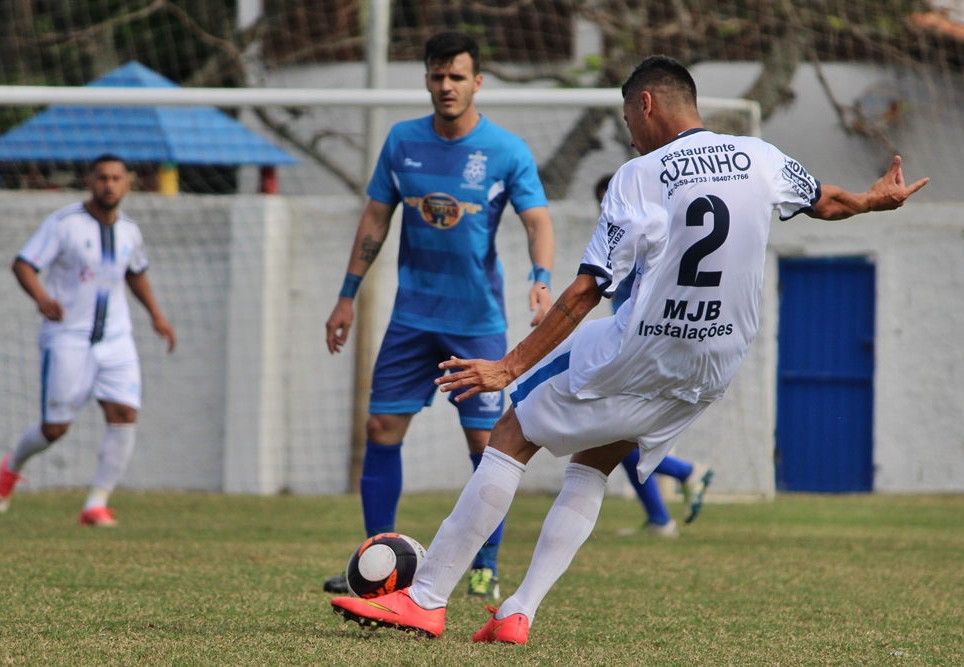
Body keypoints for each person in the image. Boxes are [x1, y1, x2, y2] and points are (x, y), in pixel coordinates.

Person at [330, 55, 928, 643]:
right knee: (596, 458)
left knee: (510, 433)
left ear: (646, 104)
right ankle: (518, 611)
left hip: (641, 349)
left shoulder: (640, 175)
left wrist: (508, 367)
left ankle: (426, 598)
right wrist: (872, 200)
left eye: (627, 122)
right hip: (715, 363)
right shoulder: (758, 155)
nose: (631, 137)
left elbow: (587, 288)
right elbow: (825, 201)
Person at [323, 30, 555, 599]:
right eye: (437, 76)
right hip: (411, 317)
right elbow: (375, 218)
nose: (446, 86)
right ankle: (377, 562)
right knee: (380, 429)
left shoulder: (505, 150)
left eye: (457, 76)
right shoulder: (402, 141)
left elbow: (537, 221)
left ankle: (485, 567)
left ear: (477, 82)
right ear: (426, 79)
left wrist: (541, 278)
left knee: (489, 445)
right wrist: (347, 294)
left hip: (475, 322)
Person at [0, 154, 176, 526]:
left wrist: (156, 315)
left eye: (116, 178)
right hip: (68, 338)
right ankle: (13, 465)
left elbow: (135, 273)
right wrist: (42, 298)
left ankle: (96, 504)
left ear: (127, 184)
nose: (109, 185)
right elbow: (23, 264)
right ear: (90, 181)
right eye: (102, 178)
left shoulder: (130, 230)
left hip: (116, 339)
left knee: (124, 414)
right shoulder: (64, 223)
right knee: (56, 428)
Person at [594, 173, 714, 537]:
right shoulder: (630, 232)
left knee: (611, 434)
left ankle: (684, 472)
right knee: (617, 435)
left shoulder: (645, 234)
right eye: (603, 202)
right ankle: (660, 518)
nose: (608, 208)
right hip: (630, 342)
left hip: (641, 347)